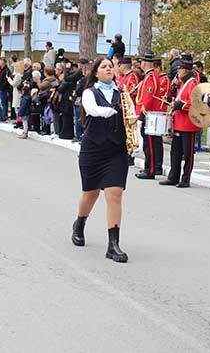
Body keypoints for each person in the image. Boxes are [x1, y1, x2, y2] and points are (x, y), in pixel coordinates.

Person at [71, 57, 130, 263]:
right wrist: (111, 111)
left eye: (110, 67)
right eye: (103, 67)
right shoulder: (90, 93)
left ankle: (113, 245)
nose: (108, 69)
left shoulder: (122, 94)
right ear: (96, 73)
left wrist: (135, 137)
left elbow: (131, 119)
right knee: (91, 193)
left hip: (116, 150)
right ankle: (79, 223)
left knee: (115, 194)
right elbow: (93, 110)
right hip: (94, 150)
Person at [160, 55, 200, 188]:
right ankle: (173, 176)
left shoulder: (193, 84)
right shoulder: (182, 84)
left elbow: (196, 104)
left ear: (186, 70)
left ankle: (185, 178)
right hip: (179, 122)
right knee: (175, 152)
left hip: (188, 124)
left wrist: (181, 105)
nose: (177, 71)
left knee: (188, 154)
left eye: (180, 69)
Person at [135, 53, 169, 179]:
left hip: (148, 114)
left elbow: (148, 99)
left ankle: (151, 170)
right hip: (148, 113)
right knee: (148, 144)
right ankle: (149, 168)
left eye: (142, 62)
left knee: (149, 145)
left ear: (145, 63)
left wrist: (142, 115)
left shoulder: (150, 77)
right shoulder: (150, 76)